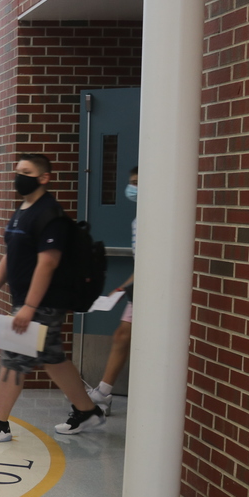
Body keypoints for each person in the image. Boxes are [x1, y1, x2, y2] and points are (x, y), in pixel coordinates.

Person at [0, 153, 106, 443]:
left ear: (44, 178)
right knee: (53, 358)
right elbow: (11, 254)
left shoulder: (49, 214)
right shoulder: (22, 210)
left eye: (26, 171)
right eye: (18, 171)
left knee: (14, 358)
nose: (19, 176)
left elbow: (48, 263)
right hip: (29, 300)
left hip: (43, 301)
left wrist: (29, 306)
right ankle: (87, 410)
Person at [86, 166, 138, 414]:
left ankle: (103, 393)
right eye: (132, 183)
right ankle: (103, 393)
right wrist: (122, 287)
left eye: (138, 183)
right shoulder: (137, 222)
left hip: (159, 293)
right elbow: (142, 261)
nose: (133, 188)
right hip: (140, 292)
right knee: (121, 336)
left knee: (127, 337)